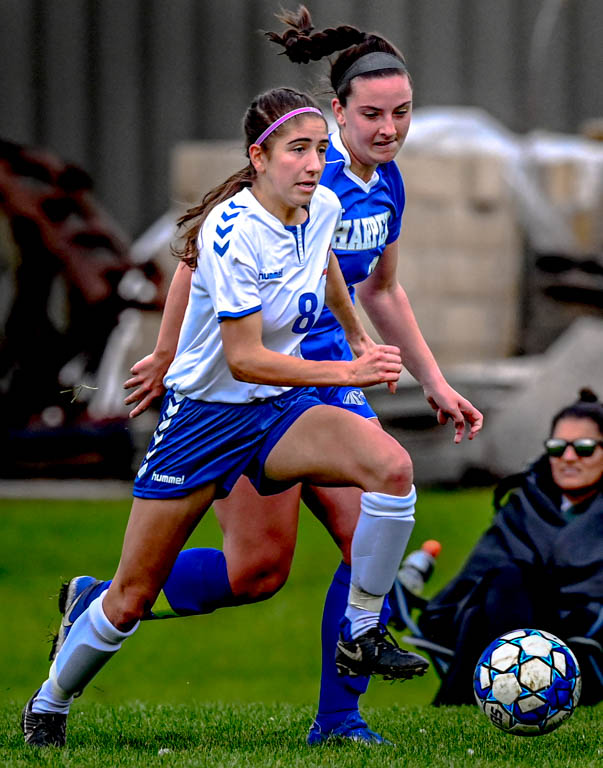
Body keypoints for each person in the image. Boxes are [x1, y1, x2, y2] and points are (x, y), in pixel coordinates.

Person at [43, 7, 484, 746]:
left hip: (323, 385)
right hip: (257, 384)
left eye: (402, 113)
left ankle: (339, 719)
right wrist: (167, 349)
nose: (388, 129)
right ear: (336, 111)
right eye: (371, 114)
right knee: (257, 573)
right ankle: (103, 604)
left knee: (367, 519)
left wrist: (431, 380)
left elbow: (376, 288)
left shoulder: (383, 186)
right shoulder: (297, 165)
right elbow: (197, 254)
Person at [415, 388, 603, 707]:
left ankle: (454, 699)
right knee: (504, 583)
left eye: (584, 448)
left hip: (586, 645)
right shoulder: (523, 505)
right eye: (558, 447)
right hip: (506, 622)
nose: (568, 458)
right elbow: (476, 577)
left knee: (510, 583)